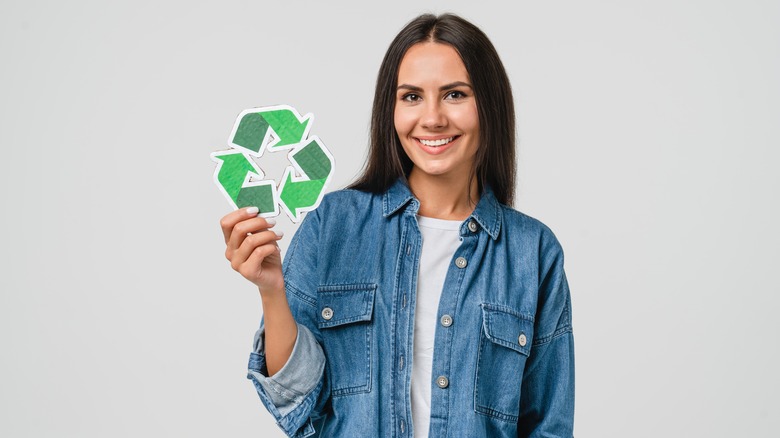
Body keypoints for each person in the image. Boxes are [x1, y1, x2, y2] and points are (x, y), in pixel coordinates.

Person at [220, 13, 574, 438]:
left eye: (455, 94)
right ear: (390, 108)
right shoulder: (334, 225)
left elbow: (548, 426)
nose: (432, 118)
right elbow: (297, 403)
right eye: (411, 97)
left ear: (490, 105)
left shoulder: (532, 251)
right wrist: (272, 291)